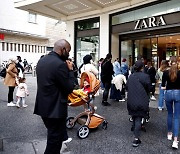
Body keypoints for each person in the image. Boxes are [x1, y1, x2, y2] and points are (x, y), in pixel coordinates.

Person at [34, 39, 75, 154]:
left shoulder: (42, 61)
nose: (69, 54)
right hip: (55, 110)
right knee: (54, 142)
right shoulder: (60, 65)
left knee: (53, 136)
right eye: (68, 51)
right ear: (63, 50)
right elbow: (69, 87)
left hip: (43, 106)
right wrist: (70, 71)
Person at [126, 60, 151, 147]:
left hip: (131, 100)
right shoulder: (146, 76)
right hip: (141, 100)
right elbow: (149, 88)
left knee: (134, 116)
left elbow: (127, 87)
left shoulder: (131, 76)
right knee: (138, 119)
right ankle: (136, 139)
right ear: (142, 67)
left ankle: (135, 128)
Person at [161, 56, 180, 149]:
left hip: (168, 94)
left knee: (169, 114)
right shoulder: (179, 72)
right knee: (176, 117)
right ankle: (175, 140)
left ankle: (169, 133)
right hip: (178, 94)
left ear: (169, 63)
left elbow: (162, 86)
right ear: (177, 63)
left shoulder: (165, 73)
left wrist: (167, 87)